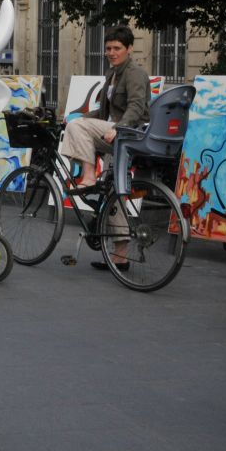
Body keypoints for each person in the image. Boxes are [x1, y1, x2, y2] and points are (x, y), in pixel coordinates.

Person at [59, 25, 150, 271]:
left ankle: (88, 176)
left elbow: (136, 107)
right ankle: (120, 258)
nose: (111, 52)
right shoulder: (112, 74)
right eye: (108, 48)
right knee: (116, 195)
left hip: (130, 134)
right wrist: (77, 117)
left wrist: (120, 127)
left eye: (117, 48)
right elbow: (104, 111)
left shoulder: (135, 74)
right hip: (116, 135)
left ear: (129, 48)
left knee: (79, 129)